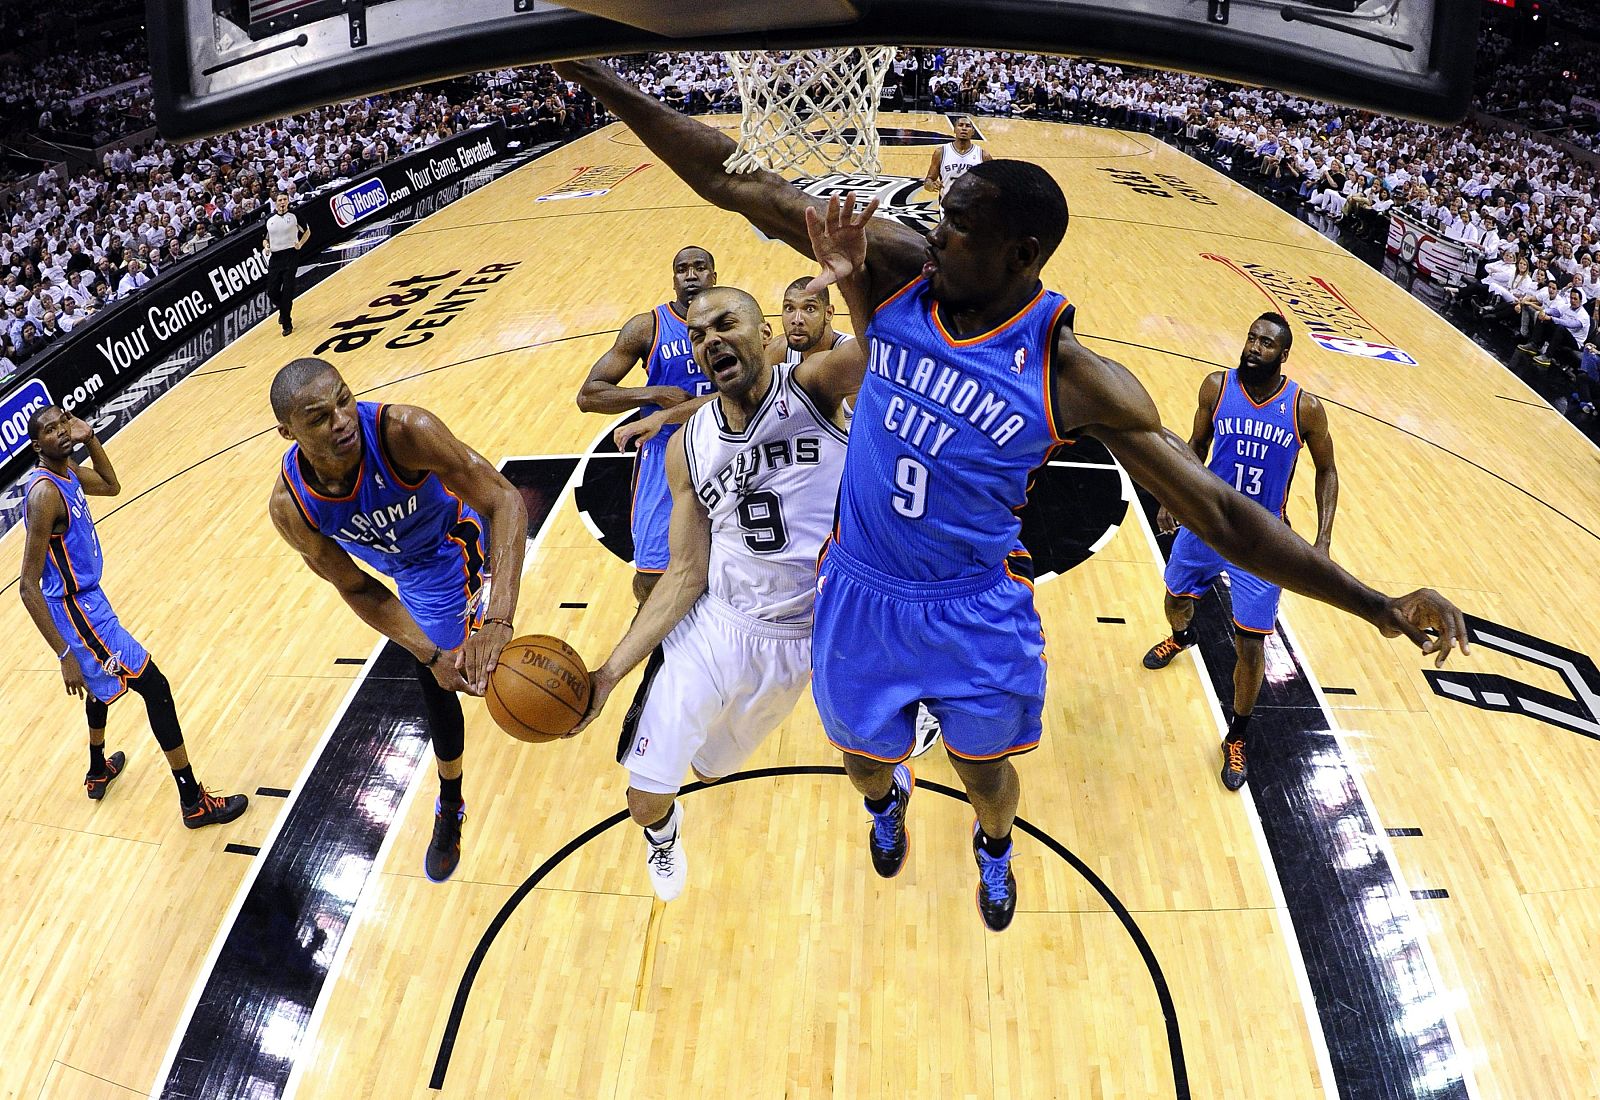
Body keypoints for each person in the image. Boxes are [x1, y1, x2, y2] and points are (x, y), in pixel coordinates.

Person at [555, 59, 1468, 933]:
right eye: (939, 217)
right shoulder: (897, 271)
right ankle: (891, 805)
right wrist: (603, 81)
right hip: (859, 591)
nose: (932, 229)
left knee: (986, 776)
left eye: (956, 226)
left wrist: (1378, 604)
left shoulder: (1075, 377)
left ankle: (995, 846)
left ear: (1020, 251)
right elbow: (730, 178)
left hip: (973, 609)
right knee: (866, 764)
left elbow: (1226, 515)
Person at [570, 199, 867, 901]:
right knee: (647, 794)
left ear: (768, 338)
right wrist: (610, 674)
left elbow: (892, 343)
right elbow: (684, 574)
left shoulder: (816, 390)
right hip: (717, 629)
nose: (710, 341)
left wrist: (853, 275)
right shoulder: (689, 447)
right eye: (699, 334)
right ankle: (662, 835)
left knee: (712, 766)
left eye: (726, 323)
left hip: (804, 637)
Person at [268, 359, 528, 881]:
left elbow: (503, 498)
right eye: (319, 417)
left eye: (344, 399)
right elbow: (358, 586)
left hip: (455, 538)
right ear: (288, 433)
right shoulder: (291, 506)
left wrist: (500, 616)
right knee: (433, 666)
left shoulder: (404, 432)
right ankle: (452, 797)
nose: (341, 420)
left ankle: (448, 800)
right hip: (404, 568)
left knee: (449, 675)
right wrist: (430, 652)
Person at [18, 407, 248, 826]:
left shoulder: (67, 472)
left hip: (89, 601)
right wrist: (64, 653)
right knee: (154, 686)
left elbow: (112, 485)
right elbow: (27, 585)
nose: (61, 433)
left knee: (100, 684)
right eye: (50, 431)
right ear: (37, 445)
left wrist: (91, 440)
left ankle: (96, 771)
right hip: (78, 614)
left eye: (63, 424)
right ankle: (192, 800)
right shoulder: (44, 494)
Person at [1140, 314, 1338, 790]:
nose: (1253, 347)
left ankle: (1238, 733)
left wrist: (1323, 541)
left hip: (1262, 540)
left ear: (1284, 354)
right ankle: (1183, 636)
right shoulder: (1216, 386)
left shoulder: (1304, 408)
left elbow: (1327, 471)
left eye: (1266, 344)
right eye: (1251, 338)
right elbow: (1195, 447)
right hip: (1206, 523)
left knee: (1251, 645)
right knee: (1173, 601)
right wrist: (1173, 496)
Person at [575, 246, 717, 603]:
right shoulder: (647, 327)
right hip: (666, 456)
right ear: (673, 280)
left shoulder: (734, 322)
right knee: (652, 574)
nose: (691, 275)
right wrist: (653, 393)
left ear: (713, 277)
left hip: (724, 449)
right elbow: (589, 396)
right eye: (682, 269)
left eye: (700, 268)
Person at [263, 193, 310, 336]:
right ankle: (283, 310)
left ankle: (286, 322)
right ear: (276, 203)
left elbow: (307, 231)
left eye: (284, 199)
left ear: (288, 201)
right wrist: (266, 247)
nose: (282, 202)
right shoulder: (270, 219)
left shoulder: (295, 215)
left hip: (290, 255)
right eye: (279, 200)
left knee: (288, 289)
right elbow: (266, 238)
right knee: (272, 292)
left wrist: (300, 244)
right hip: (275, 258)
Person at [923, 116, 990, 200]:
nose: (964, 128)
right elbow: (929, 179)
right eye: (960, 125)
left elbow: (993, 183)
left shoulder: (983, 156)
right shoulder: (941, 152)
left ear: (973, 132)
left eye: (968, 126)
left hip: (973, 208)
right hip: (947, 207)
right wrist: (930, 185)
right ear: (954, 129)